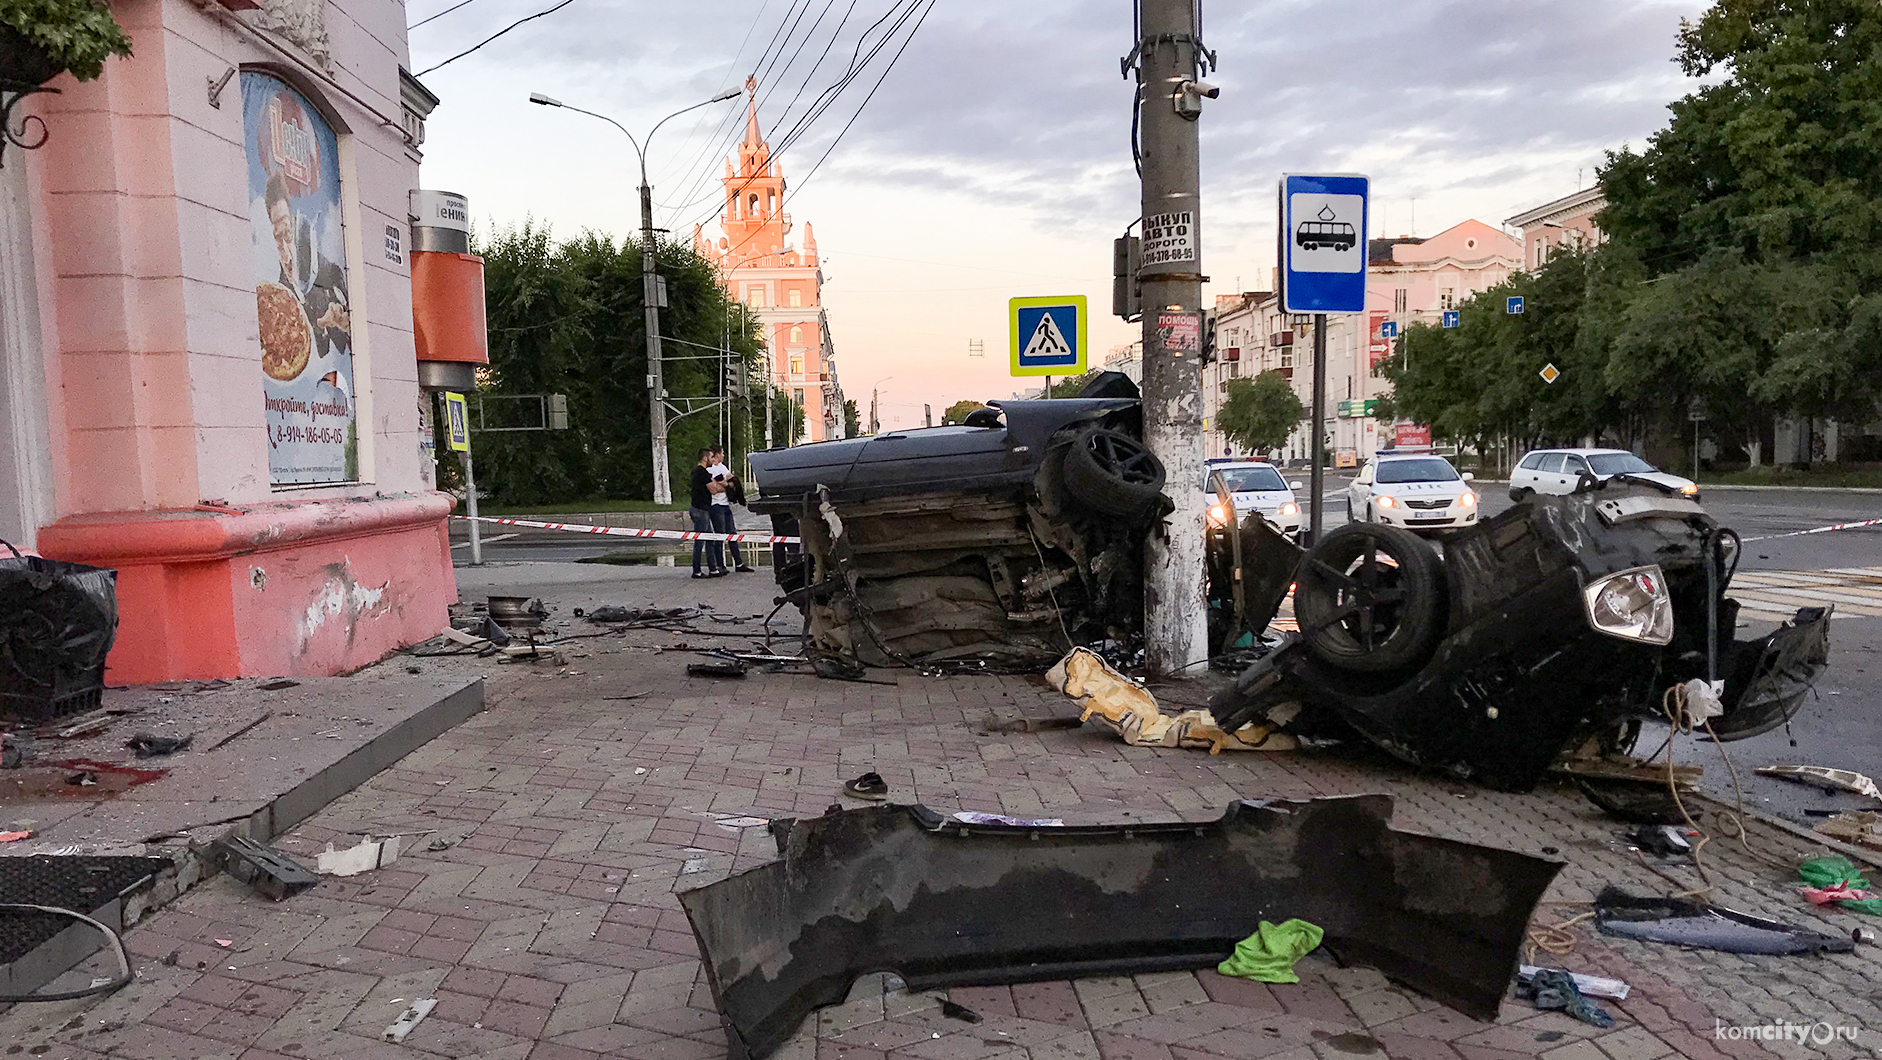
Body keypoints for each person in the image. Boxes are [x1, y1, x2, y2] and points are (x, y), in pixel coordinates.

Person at [264, 172, 350, 356]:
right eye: (277, 238)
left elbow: (336, 273)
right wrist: (320, 325)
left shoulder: (311, 261)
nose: (286, 252)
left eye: (287, 232)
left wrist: (343, 308)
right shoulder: (281, 294)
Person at [707, 447, 756, 573]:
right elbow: (714, 488)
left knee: (732, 534)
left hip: (725, 504)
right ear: (716, 454)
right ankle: (720, 565)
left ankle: (739, 563)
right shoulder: (709, 469)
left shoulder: (722, 467)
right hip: (715, 505)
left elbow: (733, 482)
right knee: (720, 535)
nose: (723, 455)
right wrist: (725, 485)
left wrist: (725, 484)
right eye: (722, 453)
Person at [688, 449, 727, 578]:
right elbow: (714, 490)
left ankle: (713, 569)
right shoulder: (702, 472)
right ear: (705, 458)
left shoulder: (697, 471)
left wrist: (716, 484)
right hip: (701, 510)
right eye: (711, 457)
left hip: (699, 509)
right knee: (700, 540)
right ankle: (697, 571)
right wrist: (721, 485)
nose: (712, 459)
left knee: (710, 539)